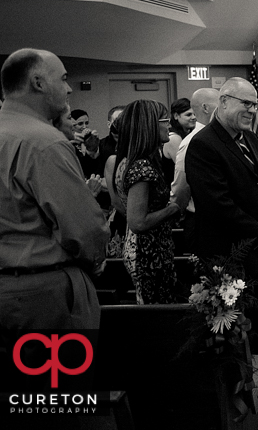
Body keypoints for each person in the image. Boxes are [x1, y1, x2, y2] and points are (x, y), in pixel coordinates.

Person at [185, 78, 258, 417]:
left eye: (254, 104)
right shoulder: (204, 145)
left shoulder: (246, 138)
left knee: (256, 322)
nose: (251, 110)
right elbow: (217, 204)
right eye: (244, 103)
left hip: (252, 247)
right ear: (222, 102)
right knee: (234, 331)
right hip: (225, 253)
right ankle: (241, 405)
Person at [0, 48, 108, 392]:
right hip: (43, 296)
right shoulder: (44, 142)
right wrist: (94, 264)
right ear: (37, 82)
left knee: (16, 403)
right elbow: (85, 230)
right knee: (61, 401)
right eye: (63, 79)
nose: (70, 88)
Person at [114, 99, 188, 304]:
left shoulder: (131, 161)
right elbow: (137, 222)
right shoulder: (141, 167)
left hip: (150, 249)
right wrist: (172, 209)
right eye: (165, 120)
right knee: (155, 314)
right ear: (150, 125)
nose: (169, 125)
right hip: (146, 252)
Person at [171, 88, 220, 254]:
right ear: (206, 108)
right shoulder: (192, 141)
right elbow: (181, 187)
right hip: (201, 221)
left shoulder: (222, 136)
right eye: (221, 104)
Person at [161, 97, 196, 184]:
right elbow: (186, 169)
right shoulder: (174, 138)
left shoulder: (188, 134)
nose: (194, 117)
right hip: (173, 190)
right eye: (188, 115)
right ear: (176, 116)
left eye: (195, 114)